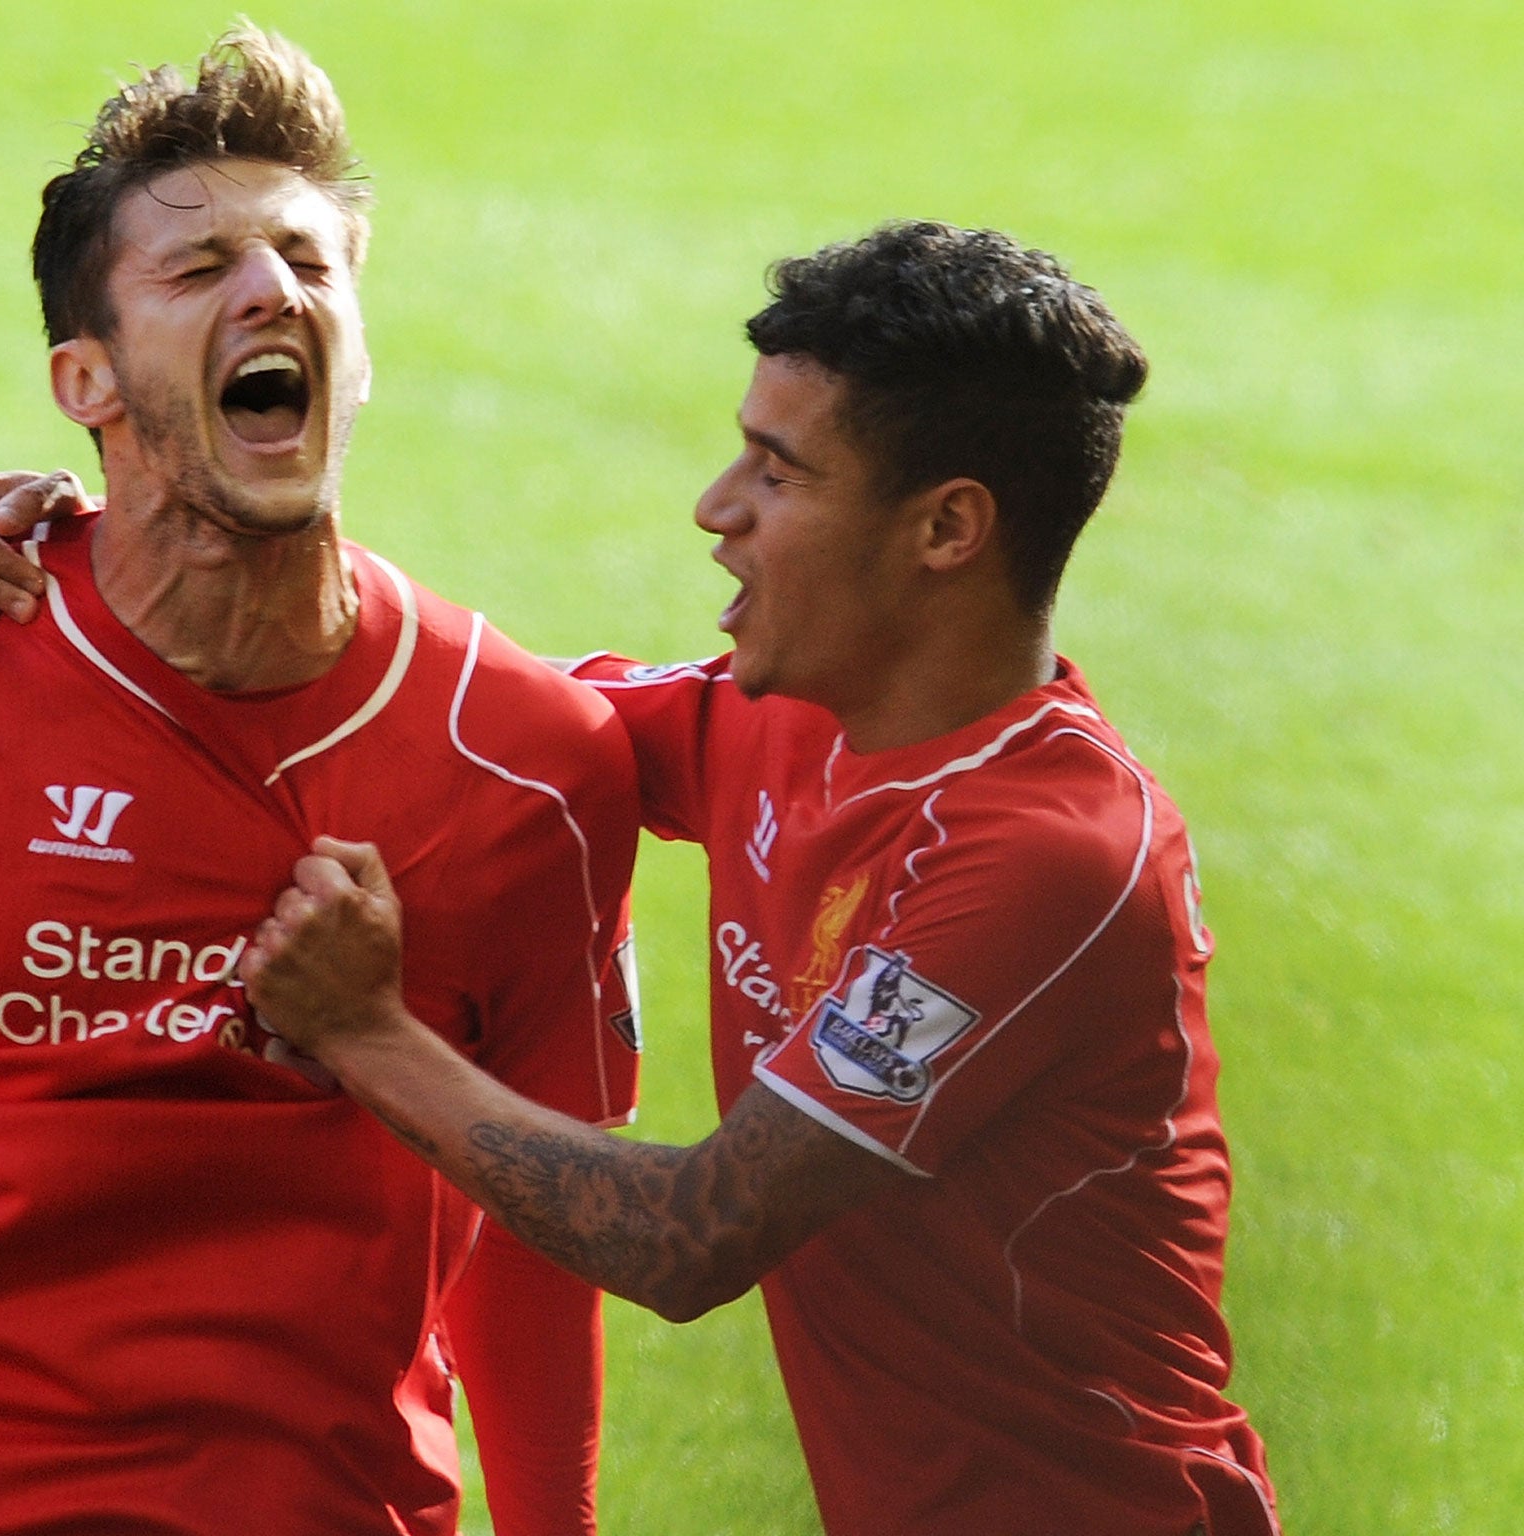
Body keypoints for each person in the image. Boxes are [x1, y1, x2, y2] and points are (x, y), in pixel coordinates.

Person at [0, 26, 642, 1536]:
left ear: (357, 345)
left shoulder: (529, 762)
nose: (272, 294)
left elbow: (545, 1221)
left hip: (321, 1501)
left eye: (312, 265)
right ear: (85, 380)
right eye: (200, 273)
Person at [231, 222, 1283, 1534]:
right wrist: (94, 561)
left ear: (947, 527)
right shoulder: (777, 720)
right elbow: (460, 726)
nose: (716, 507)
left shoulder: (1046, 857)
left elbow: (694, 1236)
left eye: (778, 475)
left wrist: (365, 1033)